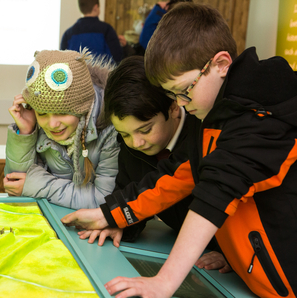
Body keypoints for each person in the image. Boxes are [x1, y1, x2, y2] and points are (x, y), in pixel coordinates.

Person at [62, 3, 297, 298]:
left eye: (184, 90)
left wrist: (164, 282)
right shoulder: (214, 115)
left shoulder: (258, 116)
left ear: (221, 64)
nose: (180, 103)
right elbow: (177, 175)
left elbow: (216, 193)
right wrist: (110, 215)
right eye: (173, 94)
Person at [77, 55, 230, 271]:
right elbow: (130, 193)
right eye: (124, 133)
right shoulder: (131, 147)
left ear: (174, 107)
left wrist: (232, 254)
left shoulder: (203, 138)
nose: (136, 142)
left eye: (146, 129)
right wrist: (118, 226)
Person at [4, 49, 119, 209]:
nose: (52, 124)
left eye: (62, 113)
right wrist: (25, 133)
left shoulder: (111, 128)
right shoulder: (37, 123)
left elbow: (104, 200)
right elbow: (16, 184)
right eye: (43, 113)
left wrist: (38, 185)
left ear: (83, 107)